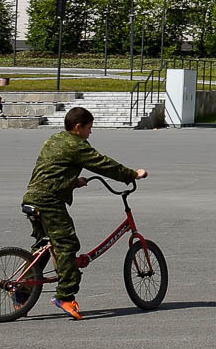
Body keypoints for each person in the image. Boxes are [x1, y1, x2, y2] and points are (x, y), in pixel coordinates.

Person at [21, 107, 148, 320]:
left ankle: (21, 292)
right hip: (49, 201)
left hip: (33, 196)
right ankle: (65, 296)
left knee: (44, 246)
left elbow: (49, 170)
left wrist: (72, 182)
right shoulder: (77, 145)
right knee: (67, 244)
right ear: (78, 127)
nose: (91, 132)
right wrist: (132, 174)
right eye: (89, 128)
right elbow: (103, 164)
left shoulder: (54, 139)